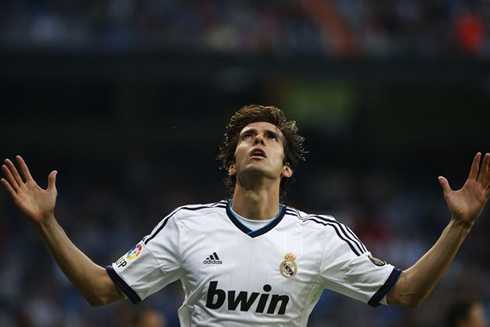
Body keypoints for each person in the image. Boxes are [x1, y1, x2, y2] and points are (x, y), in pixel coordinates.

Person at [1, 105, 489, 326]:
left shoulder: (320, 237)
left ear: (287, 167)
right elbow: (100, 290)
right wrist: (47, 223)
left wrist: (459, 224)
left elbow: (406, 293)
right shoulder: (186, 225)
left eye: (270, 137)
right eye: (248, 136)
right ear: (232, 163)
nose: (259, 140)